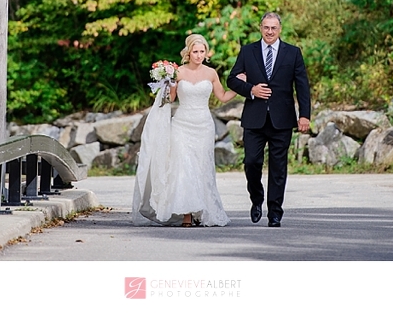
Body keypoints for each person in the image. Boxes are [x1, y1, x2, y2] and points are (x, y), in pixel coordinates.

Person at [132, 33, 241, 227]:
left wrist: (243, 86)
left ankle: (202, 210)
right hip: (182, 124)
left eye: (202, 51)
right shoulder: (178, 72)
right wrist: (167, 83)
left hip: (204, 125)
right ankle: (187, 214)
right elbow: (171, 99)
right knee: (183, 167)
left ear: (206, 53)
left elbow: (223, 97)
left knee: (201, 167)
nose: (199, 55)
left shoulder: (211, 73)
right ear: (188, 53)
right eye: (195, 51)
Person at [227, 12, 311, 227]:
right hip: (254, 118)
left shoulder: (293, 53)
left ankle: (275, 212)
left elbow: (302, 86)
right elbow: (231, 79)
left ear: (280, 29)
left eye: (274, 28)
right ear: (260, 28)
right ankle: (256, 199)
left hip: (282, 120)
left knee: (278, 168)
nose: (270, 31)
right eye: (266, 27)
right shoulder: (248, 51)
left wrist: (304, 115)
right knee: (251, 163)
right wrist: (251, 89)